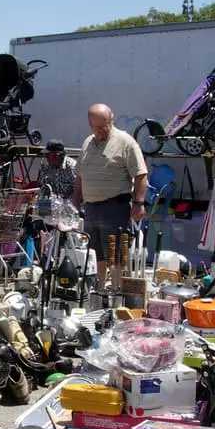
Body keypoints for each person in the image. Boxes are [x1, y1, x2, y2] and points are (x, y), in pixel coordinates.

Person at [72, 104, 148, 290]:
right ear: (90, 125)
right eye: (96, 127)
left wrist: (139, 203)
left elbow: (140, 174)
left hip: (115, 206)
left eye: (104, 125)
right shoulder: (87, 142)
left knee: (115, 253)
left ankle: (116, 289)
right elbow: (80, 176)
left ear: (111, 120)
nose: (101, 131)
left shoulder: (125, 142)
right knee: (96, 252)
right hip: (90, 208)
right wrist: (75, 201)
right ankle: (99, 288)